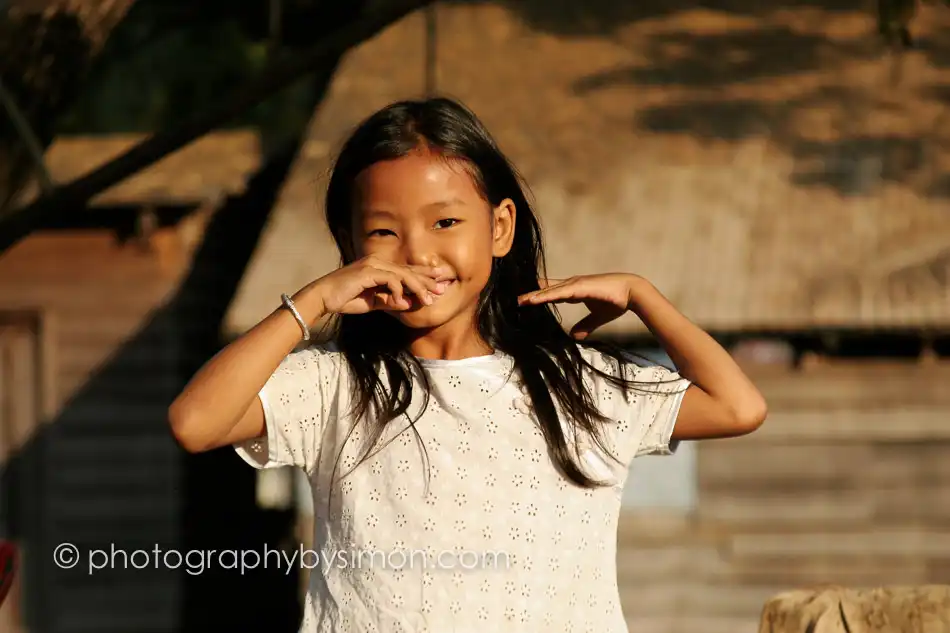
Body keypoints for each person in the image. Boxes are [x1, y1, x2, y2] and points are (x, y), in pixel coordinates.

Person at [168, 96, 768, 633]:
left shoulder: (579, 386)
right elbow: (195, 423)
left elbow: (738, 406)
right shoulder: (335, 386)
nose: (419, 252)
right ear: (350, 248)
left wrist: (644, 296)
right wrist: (311, 302)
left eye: (445, 222)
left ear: (500, 228)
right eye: (382, 231)